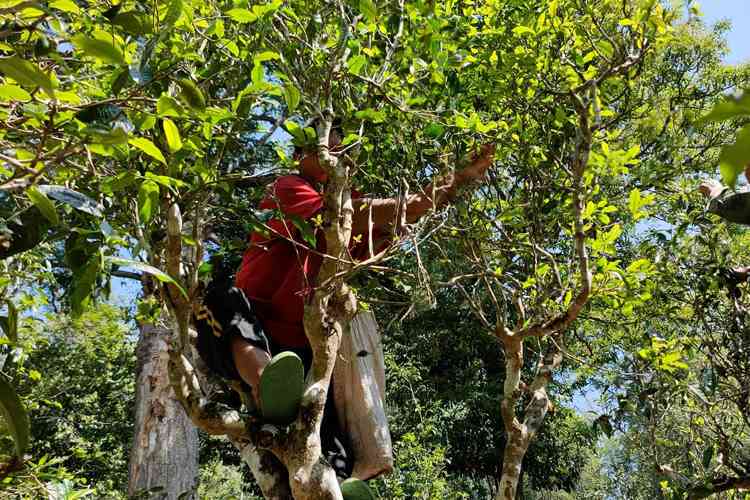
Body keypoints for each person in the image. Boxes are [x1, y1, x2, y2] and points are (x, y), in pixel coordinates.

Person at [194, 123, 495, 492]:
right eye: (326, 152)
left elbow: (388, 227)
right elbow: (369, 213)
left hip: (305, 348)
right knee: (222, 298)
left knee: (324, 459)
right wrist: (426, 196)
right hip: (256, 331)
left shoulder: (346, 217)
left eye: (342, 152)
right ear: (300, 157)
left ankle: (337, 481)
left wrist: (453, 183)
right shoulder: (288, 188)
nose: (337, 158)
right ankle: (267, 384)